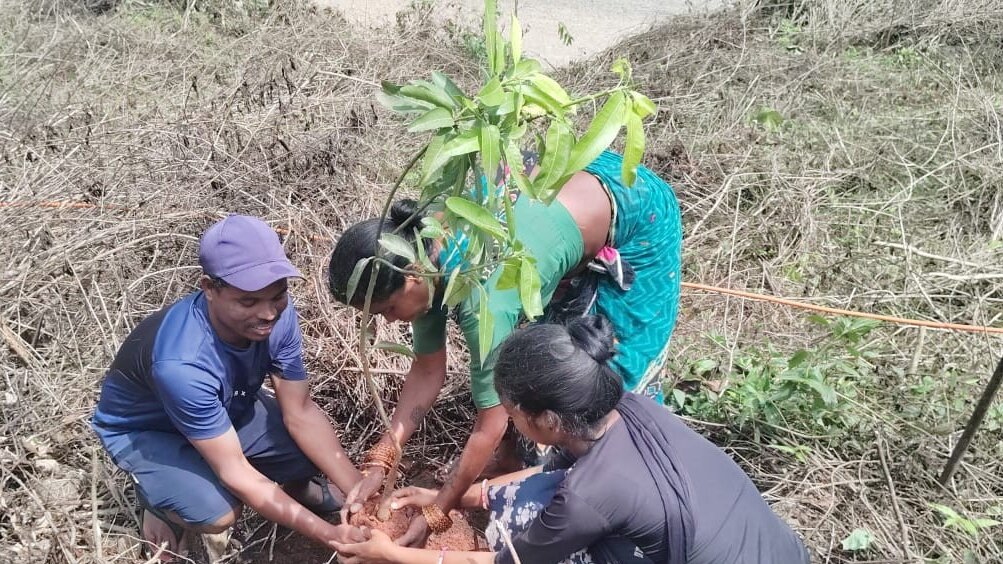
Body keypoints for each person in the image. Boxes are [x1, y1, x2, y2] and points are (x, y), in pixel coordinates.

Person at [328, 151, 683, 546]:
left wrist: (438, 508)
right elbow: (428, 369)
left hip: (634, 208)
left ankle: (622, 484)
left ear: (412, 277)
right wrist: (382, 457)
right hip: (547, 210)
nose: (390, 322)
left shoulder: (486, 302)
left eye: (388, 310)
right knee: (541, 347)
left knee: (599, 372)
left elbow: (491, 422)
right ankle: (517, 461)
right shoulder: (421, 253)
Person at [332, 316, 812, 564]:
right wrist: (462, 497)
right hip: (772, 548)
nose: (510, 423)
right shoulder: (627, 409)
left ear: (547, 419)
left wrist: (392, 554)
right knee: (534, 496)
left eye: (513, 413)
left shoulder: (589, 498)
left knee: (523, 530)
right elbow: (550, 473)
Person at [92, 215, 366, 561]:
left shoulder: (277, 315)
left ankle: (299, 489)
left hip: (226, 408)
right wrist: (331, 535)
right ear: (208, 288)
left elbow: (301, 412)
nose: (268, 313)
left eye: (277, 295)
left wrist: (359, 491)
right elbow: (235, 471)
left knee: (306, 448)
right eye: (248, 302)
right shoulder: (182, 364)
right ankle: (158, 501)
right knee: (219, 511)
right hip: (150, 430)